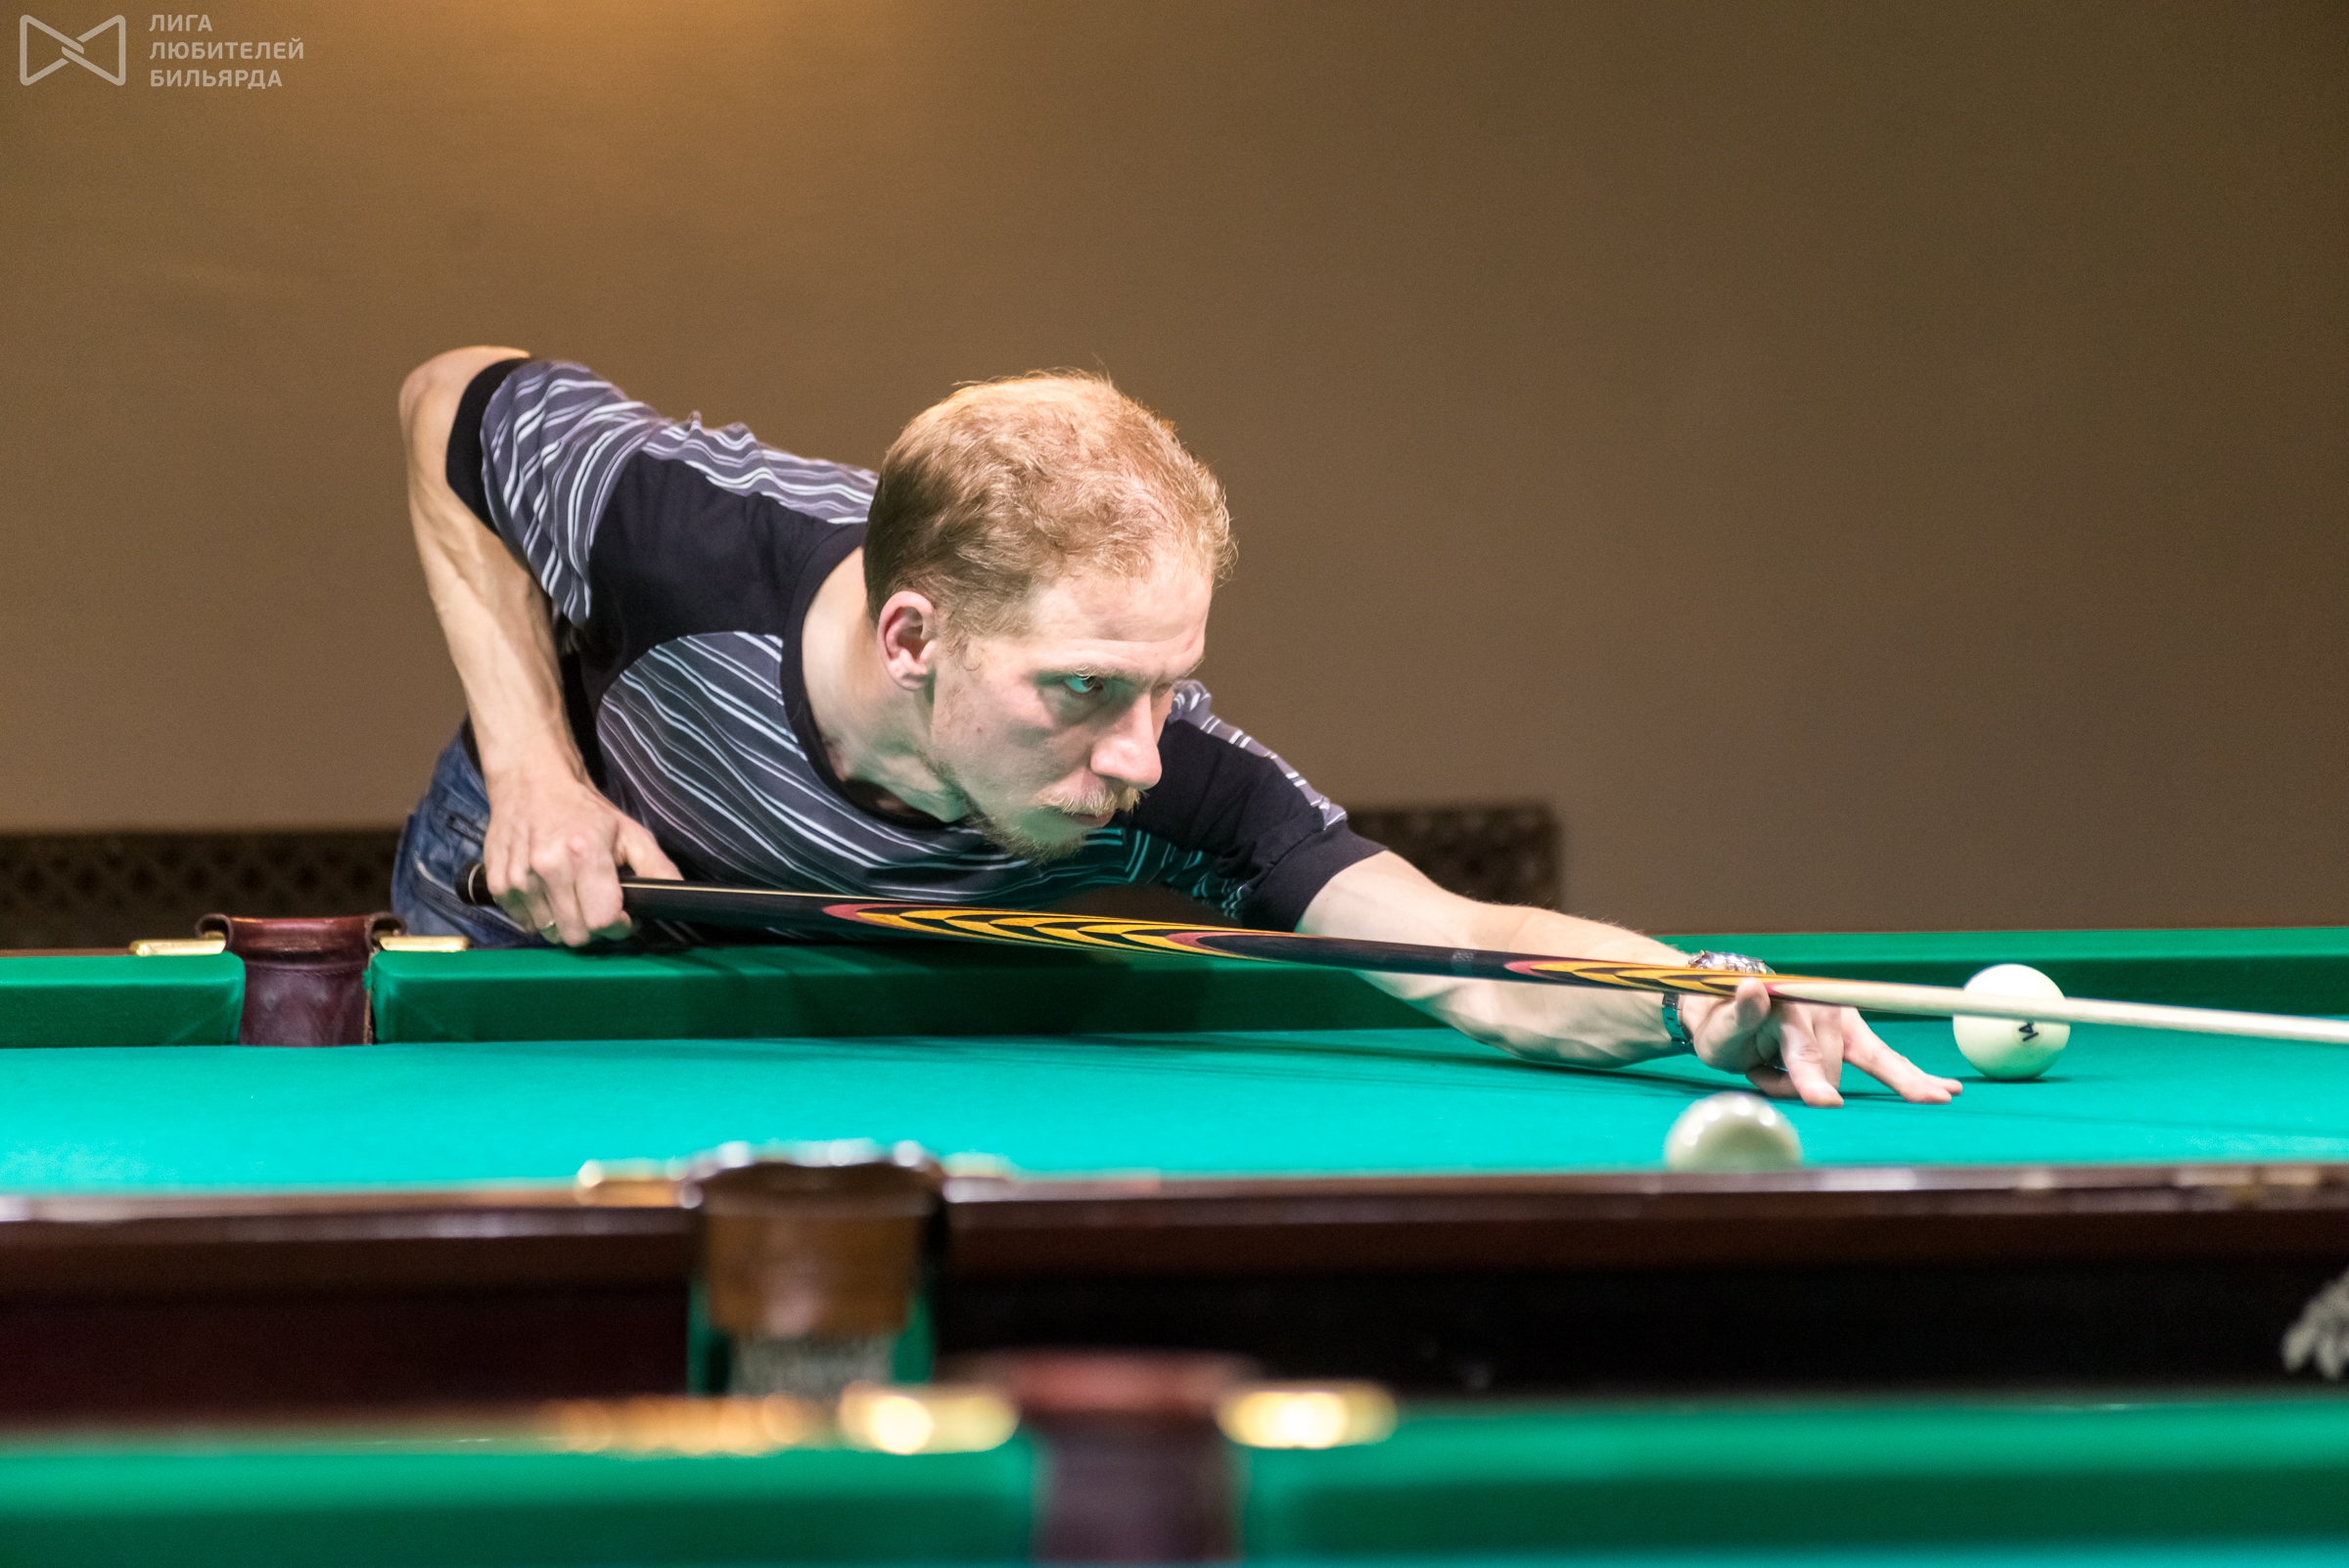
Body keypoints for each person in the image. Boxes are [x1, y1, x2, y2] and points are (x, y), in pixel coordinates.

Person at [395, 347, 1959, 1111]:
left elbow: (1464, 952)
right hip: (539, 951)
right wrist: (536, 766)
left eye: (1166, 685)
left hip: (869, 1065)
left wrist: (1689, 997)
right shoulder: (683, 538)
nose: (1140, 756)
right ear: (913, 637)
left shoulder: (1174, 777)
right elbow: (444, 398)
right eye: (1083, 690)